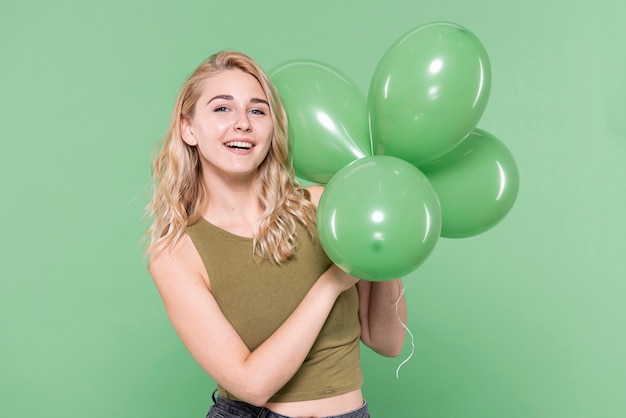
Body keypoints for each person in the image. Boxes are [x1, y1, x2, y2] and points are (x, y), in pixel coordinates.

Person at [146, 50, 407, 418]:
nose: (242, 124)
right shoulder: (177, 254)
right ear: (189, 128)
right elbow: (251, 386)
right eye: (222, 109)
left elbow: (389, 341)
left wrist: (389, 244)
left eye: (257, 110)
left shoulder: (325, 208)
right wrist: (332, 283)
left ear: (272, 127)